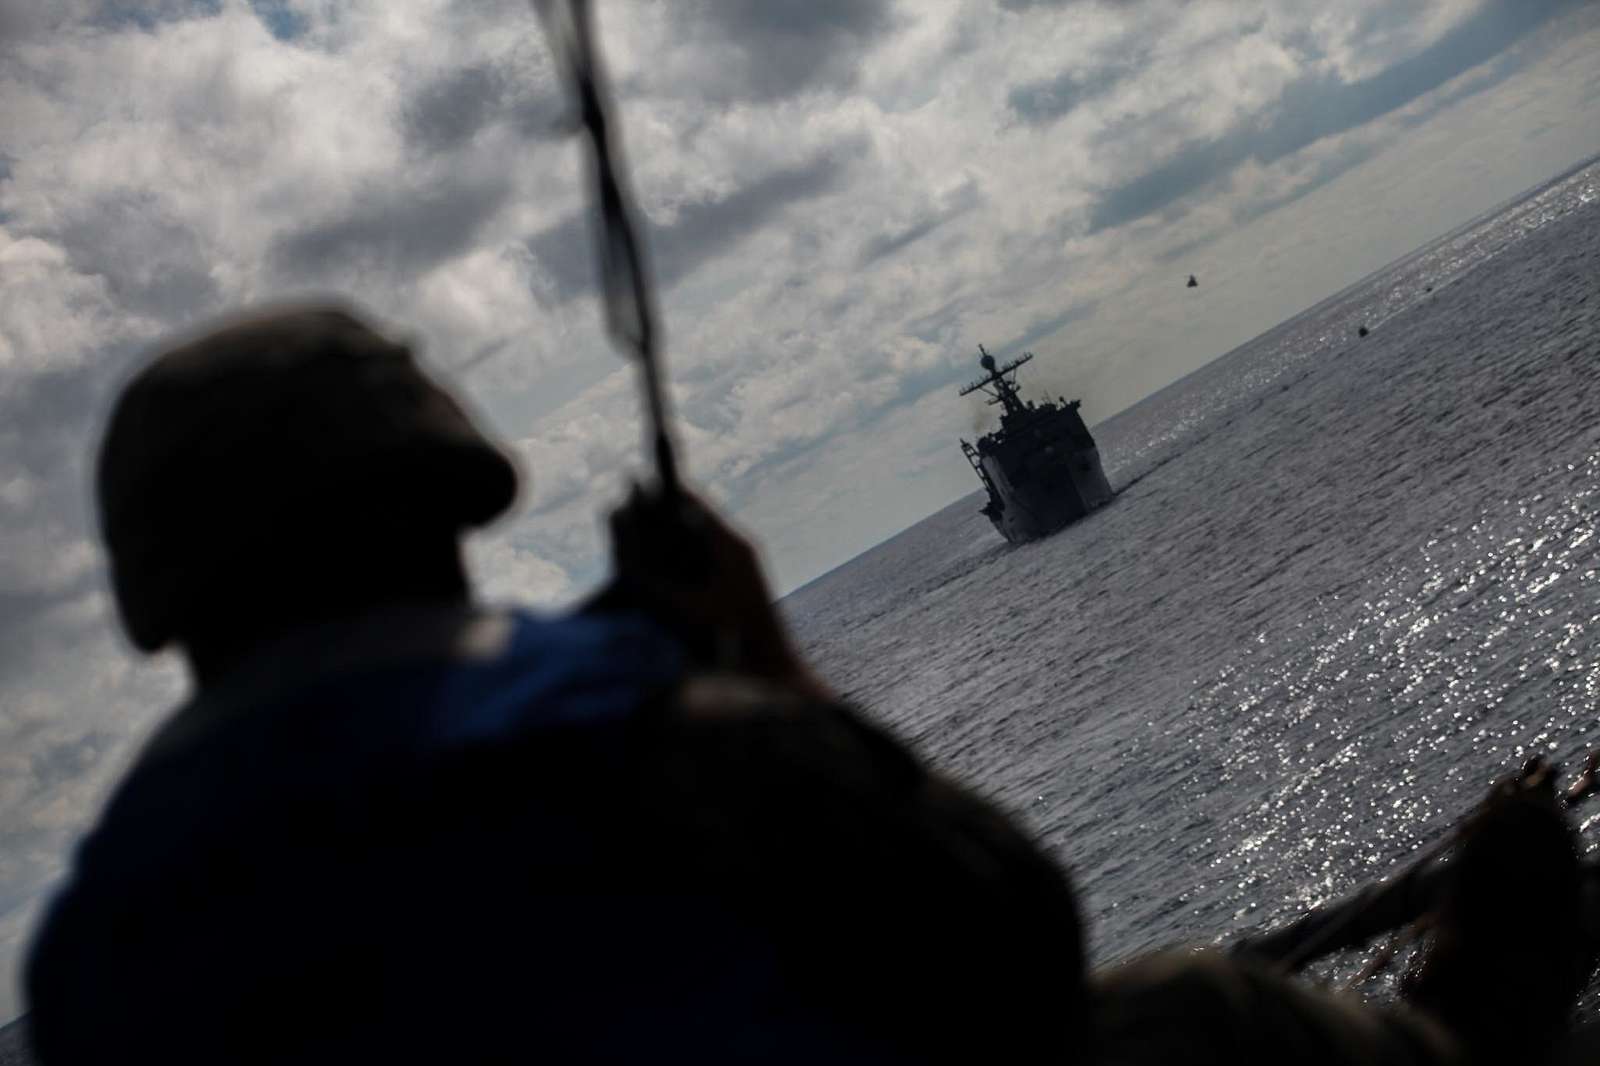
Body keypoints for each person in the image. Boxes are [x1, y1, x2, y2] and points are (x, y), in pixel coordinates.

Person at [24, 304, 1085, 1064]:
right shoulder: (671, 740)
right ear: (448, 497)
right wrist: (766, 666)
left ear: (159, 582)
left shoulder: (88, 956)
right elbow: (1019, 945)